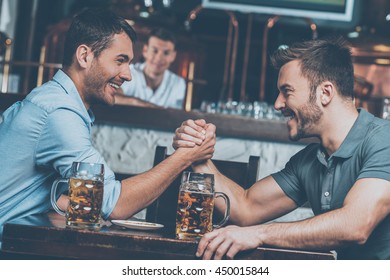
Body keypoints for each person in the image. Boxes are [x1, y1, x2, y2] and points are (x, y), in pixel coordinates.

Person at [0, 8, 215, 244]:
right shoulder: (59, 112)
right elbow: (116, 204)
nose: (128, 75)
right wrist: (186, 155)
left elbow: (39, 193)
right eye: (120, 61)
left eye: (130, 63)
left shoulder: (54, 100)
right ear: (84, 56)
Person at [173, 37, 390, 260]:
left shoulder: (384, 139)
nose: (277, 103)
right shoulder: (310, 160)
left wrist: (258, 234)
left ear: (325, 93)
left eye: (286, 91)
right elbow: (246, 207)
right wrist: (196, 153)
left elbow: (356, 225)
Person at [114, 27, 186, 109]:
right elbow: (114, 97)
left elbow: (174, 115)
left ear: (173, 56)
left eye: (166, 53)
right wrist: (144, 105)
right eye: (155, 50)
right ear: (145, 50)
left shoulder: (178, 83)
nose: (159, 58)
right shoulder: (129, 72)